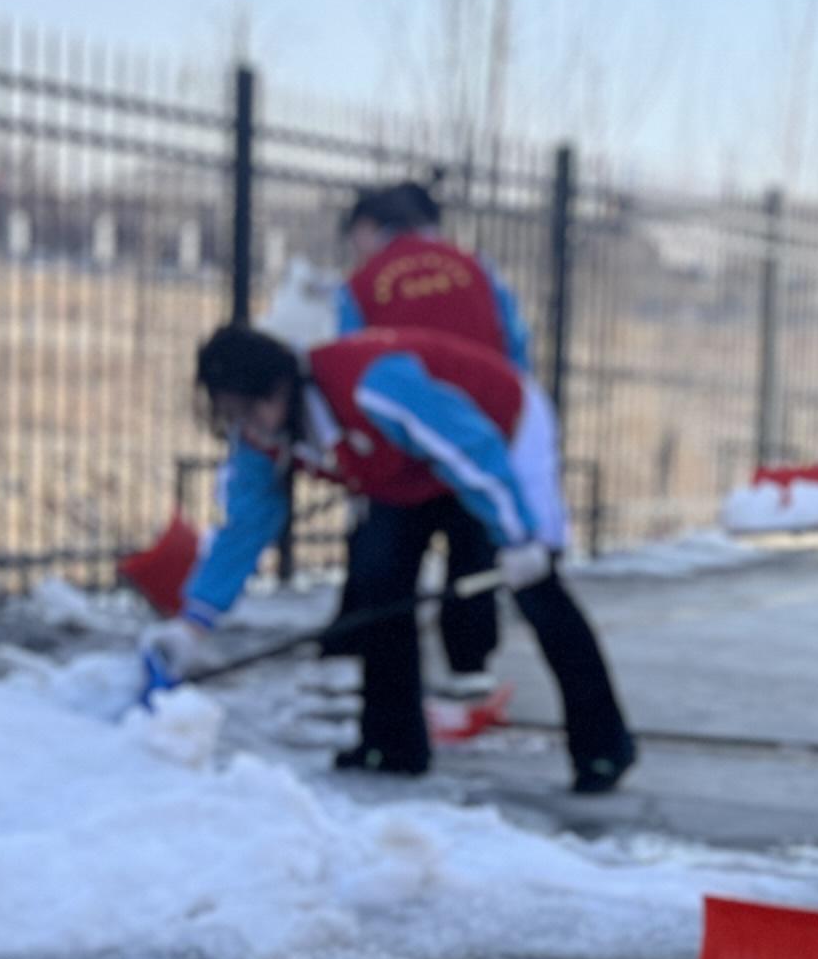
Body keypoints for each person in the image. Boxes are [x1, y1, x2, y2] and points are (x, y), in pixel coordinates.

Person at [154, 321, 638, 795]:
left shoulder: (371, 387)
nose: (250, 423)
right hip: (403, 468)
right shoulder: (263, 436)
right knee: (377, 580)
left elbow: (470, 449)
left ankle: (602, 746)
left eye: (252, 406)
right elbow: (247, 524)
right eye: (234, 413)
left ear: (283, 385)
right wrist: (194, 622)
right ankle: (391, 746)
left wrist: (520, 538)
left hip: (499, 433)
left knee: (537, 589)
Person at [326, 183, 555, 709]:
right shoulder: (477, 269)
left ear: (370, 227)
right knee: (472, 551)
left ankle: (380, 684)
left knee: (386, 563)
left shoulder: (360, 285)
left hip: (399, 448)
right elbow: (515, 346)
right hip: (478, 435)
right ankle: (469, 664)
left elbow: (348, 358)